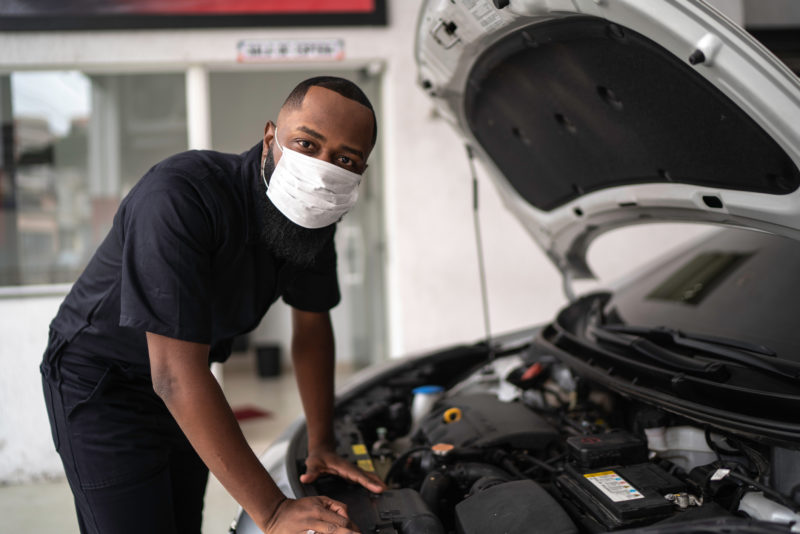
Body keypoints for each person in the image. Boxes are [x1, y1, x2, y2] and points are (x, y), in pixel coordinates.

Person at [40, 76, 386, 534]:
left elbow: (312, 327)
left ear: (361, 170)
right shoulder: (181, 196)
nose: (321, 169)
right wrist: (273, 510)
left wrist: (321, 441)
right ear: (270, 138)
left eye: (345, 159)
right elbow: (173, 375)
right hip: (103, 382)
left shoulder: (316, 222)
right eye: (306, 143)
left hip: (189, 383)